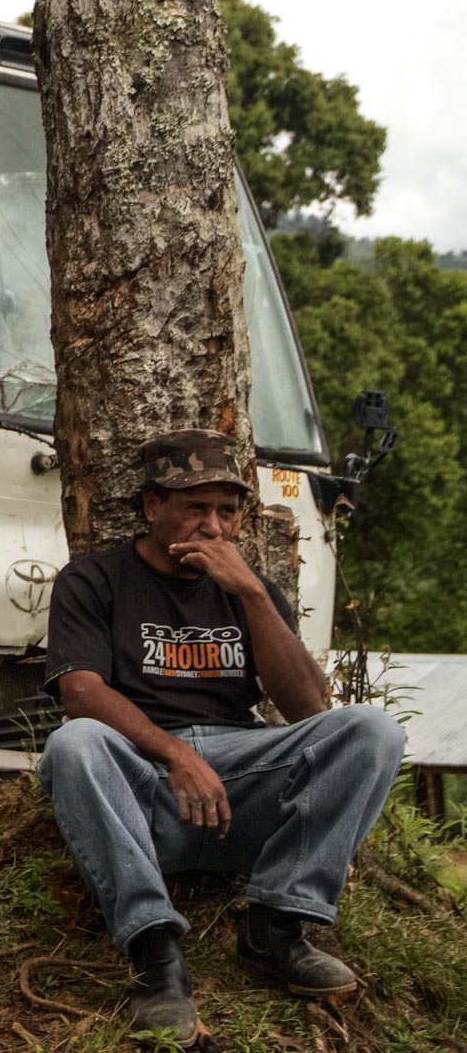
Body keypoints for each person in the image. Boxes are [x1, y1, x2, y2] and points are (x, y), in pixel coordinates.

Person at [37, 429, 405, 1043]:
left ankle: (276, 927)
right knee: (73, 744)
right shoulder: (93, 580)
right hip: (145, 785)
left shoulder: (248, 589)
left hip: (241, 788)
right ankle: (157, 956)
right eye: (195, 508)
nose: (212, 527)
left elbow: (307, 706)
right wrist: (176, 752)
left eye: (226, 512)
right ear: (152, 505)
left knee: (373, 729)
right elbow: (82, 694)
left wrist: (253, 593)